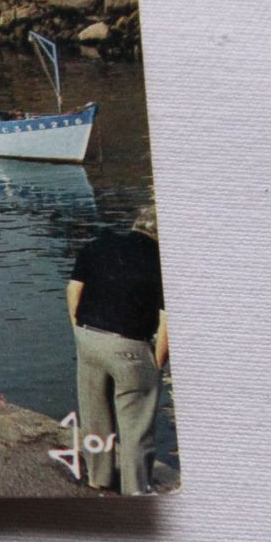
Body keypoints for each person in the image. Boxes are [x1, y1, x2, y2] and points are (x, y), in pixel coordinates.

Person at [67, 205, 168, 494]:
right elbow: (167, 323)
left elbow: (73, 290)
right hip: (130, 347)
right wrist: (157, 362)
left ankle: (98, 478)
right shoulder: (164, 263)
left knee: (94, 416)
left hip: (88, 338)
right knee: (136, 427)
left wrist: (79, 330)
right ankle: (135, 490)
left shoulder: (98, 246)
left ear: (137, 224)